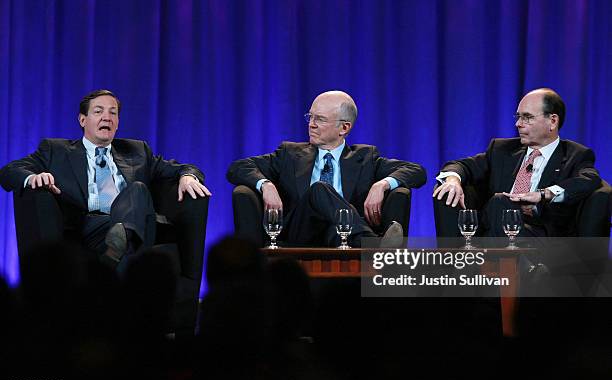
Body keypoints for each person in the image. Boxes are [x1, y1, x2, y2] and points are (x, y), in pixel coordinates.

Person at [0, 89, 211, 266]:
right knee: (135, 229)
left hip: (133, 220)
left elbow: (181, 167)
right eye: (98, 111)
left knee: (137, 189)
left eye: (113, 113)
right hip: (87, 225)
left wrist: (188, 177)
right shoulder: (56, 150)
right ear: (82, 120)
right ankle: (119, 251)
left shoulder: (137, 151)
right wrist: (32, 178)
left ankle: (116, 249)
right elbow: (10, 170)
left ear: (117, 122)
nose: (107, 117)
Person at [227, 90, 426, 247]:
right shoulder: (289, 154)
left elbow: (416, 170)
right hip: (299, 231)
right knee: (320, 188)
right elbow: (238, 167)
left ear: (344, 128)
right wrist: (266, 185)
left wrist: (382, 184)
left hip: (340, 235)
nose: (311, 125)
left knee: (337, 227)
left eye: (320, 119)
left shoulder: (365, 158)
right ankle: (372, 244)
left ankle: (363, 243)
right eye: (310, 117)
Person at [433, 88, 601, 237]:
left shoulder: (575, 155)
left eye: (527, 118)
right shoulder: (502, 149)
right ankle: (460, 265)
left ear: (553, 121)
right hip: (493, 223)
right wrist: (453, 180)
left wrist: (542, 194)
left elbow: (589, 179)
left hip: (538, 234)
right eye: (518, 117)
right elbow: (462, 165)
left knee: (500, 202)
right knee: (495, 202)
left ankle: (481, 266)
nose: (518, 124)